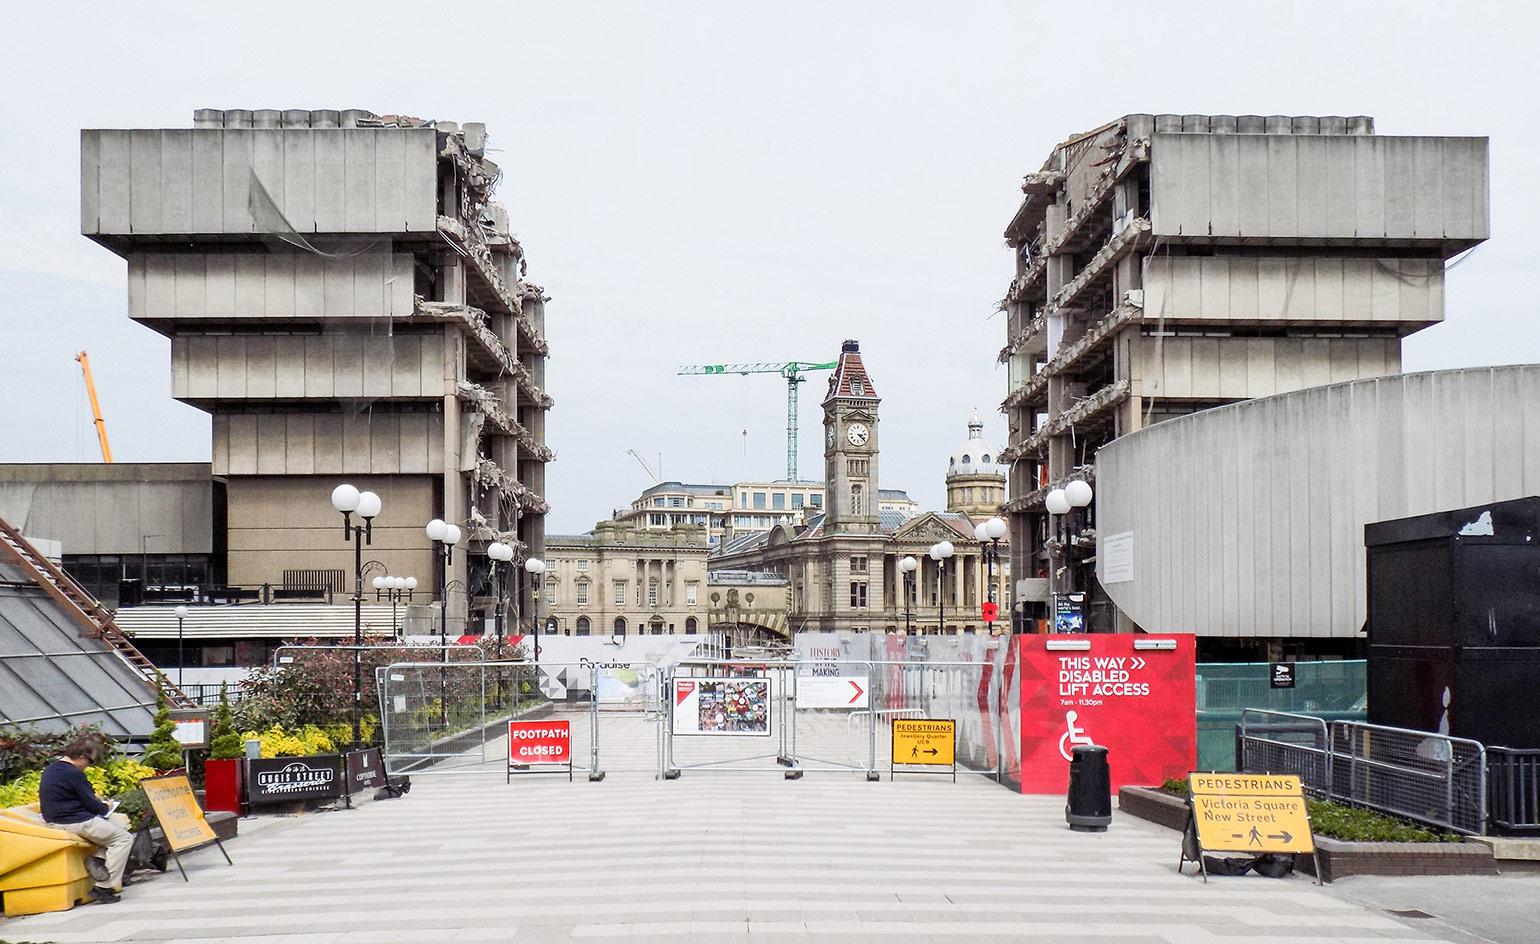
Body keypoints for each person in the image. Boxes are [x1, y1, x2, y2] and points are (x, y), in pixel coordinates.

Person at [39, 737, 132, 904]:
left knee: (119, 824)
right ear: (81, 757)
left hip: (57, 819)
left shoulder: (51, 769)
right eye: (90, 761)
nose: (88, 766)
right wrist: (107, 806)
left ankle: (99, 861)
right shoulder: (74, 773)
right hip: (74, 821)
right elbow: (92, 805)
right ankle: (104, 886)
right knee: (123, 838)